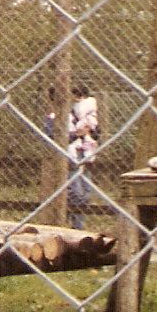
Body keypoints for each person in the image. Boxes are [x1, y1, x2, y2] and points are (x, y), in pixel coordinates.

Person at [45, 84, 99, 229]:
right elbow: (55, 140)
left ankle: (76, 224)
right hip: (68, 159)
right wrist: (77, 134)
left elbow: (94, 133)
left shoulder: (76, 114)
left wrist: (92, 130)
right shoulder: (53, 118)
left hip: (84, 155)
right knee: (76, 194)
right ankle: (75, 226)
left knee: (86, 194)